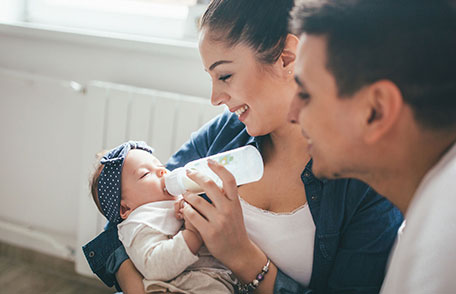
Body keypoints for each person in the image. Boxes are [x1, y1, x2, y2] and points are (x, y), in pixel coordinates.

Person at [83, 1, 403, 293]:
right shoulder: (226, 133)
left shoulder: (367, 182)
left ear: (286, 59)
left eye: (225, 75)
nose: (215, 98)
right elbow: (131, 211)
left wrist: (243, 256)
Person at [288, 0, 456, 293]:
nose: (292, 113)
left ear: (375, 111)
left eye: (305, 94)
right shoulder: (431, 206)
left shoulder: (443, 251)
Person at [89, 141, 235, 293]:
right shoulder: (140, 224)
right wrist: (191, 235)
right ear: (125, 208)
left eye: (161, 166)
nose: (162, 172)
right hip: (182, 286)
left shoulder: (175, 203)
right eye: (145, 174)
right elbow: (154, 266)